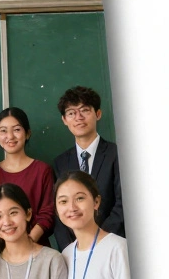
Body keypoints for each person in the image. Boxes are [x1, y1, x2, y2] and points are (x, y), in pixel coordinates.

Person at [52, 87, 124, 250]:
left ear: (98, 114)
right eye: (71, 113)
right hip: (75, 250)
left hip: (113, 244)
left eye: (85, 110)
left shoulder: (117, 154)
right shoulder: (60, 163)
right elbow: (58, 210)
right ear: (64, 119)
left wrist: (100, 241)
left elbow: (123, 203)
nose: (78, 117)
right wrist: (71, 248)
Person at [0, 107, 56, 249]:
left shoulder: (43, 170)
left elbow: (48, 213)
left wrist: (27, 243)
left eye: (17, 129)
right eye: (3, 131)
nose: (10, 136)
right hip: (0, 250)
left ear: (27, 133)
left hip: (35, 247)